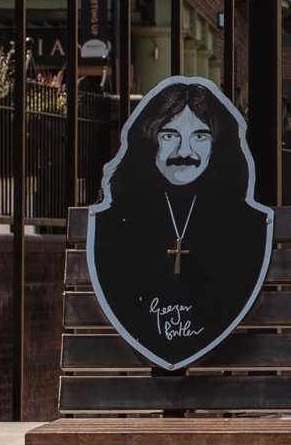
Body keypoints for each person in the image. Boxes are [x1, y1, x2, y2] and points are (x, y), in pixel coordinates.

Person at [85, 76, 276, 370]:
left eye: (200, 136)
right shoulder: (113, 223)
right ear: (148, 139)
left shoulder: (248, 225)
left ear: (218, 144)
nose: (184, 153)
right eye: (169, 135)